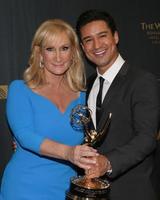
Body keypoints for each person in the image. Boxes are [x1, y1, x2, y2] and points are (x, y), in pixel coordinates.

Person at [0, 19, 99, 200]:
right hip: (24, 187)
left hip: (67, 189)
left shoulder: (84, 96)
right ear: (39, 54)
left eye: (64, 48)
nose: (58, 57)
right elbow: (25, 135)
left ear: (74, 53)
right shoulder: (20, 89)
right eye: (50, 49)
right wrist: (68, 153)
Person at [76, 9, 160, 200]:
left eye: (102, 36)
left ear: (115, 36)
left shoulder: (142, 81)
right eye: (88, 40)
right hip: (94, 193)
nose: (96, 45)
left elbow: (146, 138)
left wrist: (108, 162)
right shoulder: (86, 86)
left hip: (133, 191)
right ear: (82, 46)